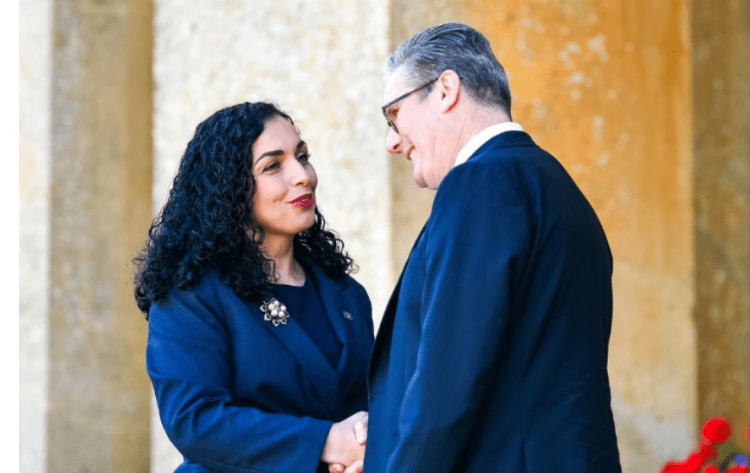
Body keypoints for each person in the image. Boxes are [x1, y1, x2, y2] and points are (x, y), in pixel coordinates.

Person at [365, 22, 622, 473]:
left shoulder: (481, 182)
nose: (392, 141)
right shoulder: (557, 187)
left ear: (445, 90)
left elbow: (448, 381)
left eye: (394, 114)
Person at [134, 102, 371, 473]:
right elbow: (195, 420)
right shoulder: (190, 296)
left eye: (302, 157)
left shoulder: (347, 294)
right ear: (230, 188)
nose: (303, 176)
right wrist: (326, 443)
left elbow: (366, 405)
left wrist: (362, 447)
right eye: (273, 166)